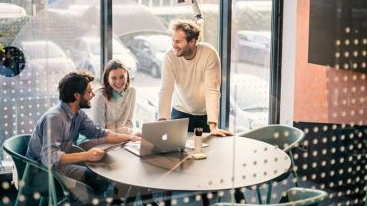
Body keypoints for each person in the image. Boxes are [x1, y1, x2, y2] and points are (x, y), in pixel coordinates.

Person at [26, 71, 140, 204]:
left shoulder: (77, 113)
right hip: (42, 173)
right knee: (90, 195)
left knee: (100, 180)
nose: (93, 95)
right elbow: (49, 158)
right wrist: (86, 156)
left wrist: (129, 138)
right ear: (77, 95)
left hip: (59, 168)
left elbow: (99, 132)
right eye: (89, 92)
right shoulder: (55, 118)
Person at [158, 20, 232, 136]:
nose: (174, 45)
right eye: (173, 41)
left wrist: (213, 126)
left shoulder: (209, 54)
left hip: (204, 115)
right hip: (180, 112)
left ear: (192, 41)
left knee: (205, 151)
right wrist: (162, 120)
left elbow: (212, 90)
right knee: (177, 150)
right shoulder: (170, 57)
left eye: (178, 42)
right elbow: (166, 90)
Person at [91, 59, 135, 134]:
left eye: (122, 77)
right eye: (114, 78)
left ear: (127, 76)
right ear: (107, 79)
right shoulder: (99, 97)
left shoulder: (132, 92)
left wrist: (123, 132)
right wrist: (124, 131)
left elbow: (129, 124)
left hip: (123, 138)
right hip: (102, 139)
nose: (118, 81)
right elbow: (99, 132)